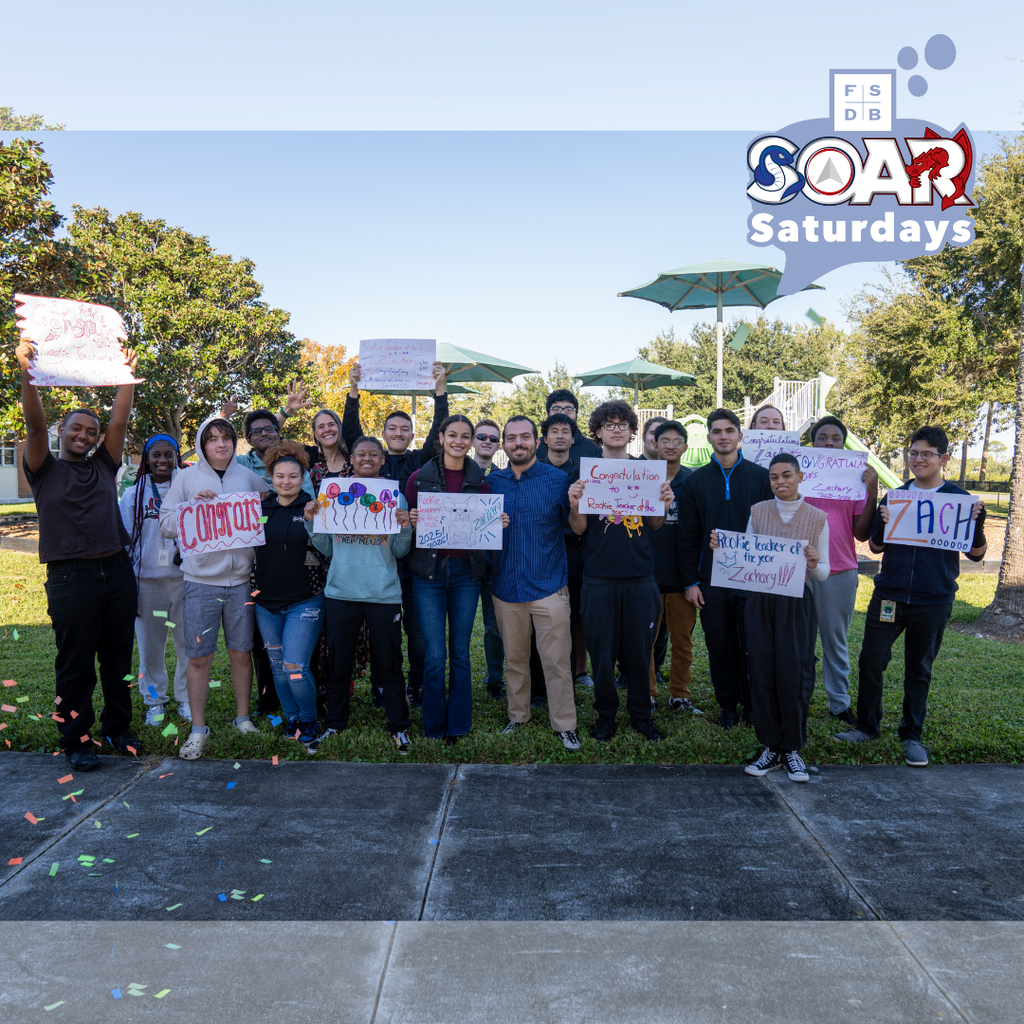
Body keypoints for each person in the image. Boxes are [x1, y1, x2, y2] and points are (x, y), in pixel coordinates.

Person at [17, 337, 141, 771]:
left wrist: (127, 374)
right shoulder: (43, 468)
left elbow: (119, 422)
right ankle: (77, 739)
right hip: (71, 579)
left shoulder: (104, 464)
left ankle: (117, 727)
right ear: (61, 432)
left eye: (91, 430)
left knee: (118, 659)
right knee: (75, 665)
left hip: (117, 571)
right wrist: (26, 371)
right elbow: (33, 427)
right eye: (76, 428)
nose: (84, 435)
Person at [836, 426, 987, 766]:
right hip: (888, 596)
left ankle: (911, 735)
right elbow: (875, 546)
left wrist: (976, 523)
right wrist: (885, 523)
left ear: (942, 459)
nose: (919, 460)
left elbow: (977, 554)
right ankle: (867, 727)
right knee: (871, 661)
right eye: (914, 453)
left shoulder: (960, 502)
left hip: (934, 600)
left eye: (927, 454)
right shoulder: (896, 497)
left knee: (919, 668)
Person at [710, 453, 829, 783]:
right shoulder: (758, 512)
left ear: (800, 476)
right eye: (775, 476)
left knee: (793, 672)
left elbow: (823, 574)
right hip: (761, 601)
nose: (781, 481)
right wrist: (722, 547)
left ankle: (792, 748)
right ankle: (770, 746)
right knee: (761, 671)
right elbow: (745, 557)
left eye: (787, 475)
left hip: (796, 604)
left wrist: (815, 561)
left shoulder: (818, 518)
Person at [159, 416, 268, 760]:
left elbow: (270, 509)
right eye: (213, 439)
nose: (221, 444)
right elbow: (165, 523)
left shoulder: (248, 477)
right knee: (199, 657)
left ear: (236, 443)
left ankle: (243, 718)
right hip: (200, 583)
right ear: (201, 444)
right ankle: (198, 728)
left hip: (240, 583)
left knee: (241, 652)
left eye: (227, 438)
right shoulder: (187, 478)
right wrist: (192, 511)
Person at [567, 400, 674, 743]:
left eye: (622, 424)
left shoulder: (647, 470)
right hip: (598, 577)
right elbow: (579, 529)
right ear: (597, 432)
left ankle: (642, 715)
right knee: (601, 655)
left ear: (631, 432)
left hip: (640, 576)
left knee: (640, 654)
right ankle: (606, 716)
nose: (616, 429)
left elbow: (655, 523)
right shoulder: (585, 472)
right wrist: (574, 504)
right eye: (609, 424)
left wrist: (665, 503)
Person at [343, 361, 449, 705]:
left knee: (417, 632)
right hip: (379, 558)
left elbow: (438, 432)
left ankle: (417, 687)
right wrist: (354, 392)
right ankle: (383, 686)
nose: (399, 433)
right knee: (382, 631)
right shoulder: (374, 461)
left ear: (412, 435)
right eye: (392, 428)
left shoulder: (422, 460)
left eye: (405, 428)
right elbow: (351, 434)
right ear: (384, 433)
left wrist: (440, 391)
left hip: (417, 559)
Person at [307, 436, 415, 750]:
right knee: (338, 662)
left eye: (374, 454)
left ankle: (399, 726)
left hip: (383, 594)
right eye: (360, 454)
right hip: (342, 591)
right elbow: (325, 547)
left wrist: (405, 527)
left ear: (383, 460)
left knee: (390, 663)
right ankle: (334, 724)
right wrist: (312, 523)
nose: (367, 458)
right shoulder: (332, 493)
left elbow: (399, 550)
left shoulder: (394, 496)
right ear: (351, 460)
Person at [489, 416, 581, 750]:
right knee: (514, 660)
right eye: (511, 438)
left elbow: (578, 528)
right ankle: (518, 716)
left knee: (557, 660)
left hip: (548, 585)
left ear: (536, 442)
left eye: (524, 437)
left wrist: (575, 506)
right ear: (503, 445)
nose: (518, 443)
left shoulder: (558, 480)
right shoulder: (491, 483)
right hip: (506, 587)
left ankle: (565, 724)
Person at [678, 409, 773, 729]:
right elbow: (688, 536)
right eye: (716, 431)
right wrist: (691, 582)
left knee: (752, 646)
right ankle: (728, 707)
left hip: (753, 577)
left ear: (739, 436)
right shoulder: (696, 482)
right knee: (719, 645)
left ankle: (752, 706)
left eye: (729, 430)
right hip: (711, 581)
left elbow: (772, 530)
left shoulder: (762, 478)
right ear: (708, 438)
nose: (723, 436)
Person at [406, 415, 495, 742]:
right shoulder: (418, 478)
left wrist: (495, 523)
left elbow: (483, 525)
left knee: (459, 651)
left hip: (464, 575)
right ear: (441, 437)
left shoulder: (480, 479)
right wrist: (411, 520)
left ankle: (458, 723)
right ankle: (433, 725)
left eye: (465, 436)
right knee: (435, 655)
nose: (459, 441)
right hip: (428, 574)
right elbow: (408, 528)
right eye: (452, 434)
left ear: (471, 441)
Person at [251, 442, 326, 753]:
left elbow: (327, 548)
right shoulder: (259, 510)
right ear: (271, 477)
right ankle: (292, 718)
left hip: (305, 600)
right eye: (279, 476)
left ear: (303, 477)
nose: (286, 481)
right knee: (279, 666)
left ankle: (309, 721)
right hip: (265, 602)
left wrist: (313, 520)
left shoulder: (314, 507)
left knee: (295, 666)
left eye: (293, 476)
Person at [805, 415, 878, 727]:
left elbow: (861, 534)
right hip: (799, 570)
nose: (830, 443)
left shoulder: (854, 479)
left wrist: (872, 491)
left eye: (836, 438)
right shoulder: (799, 473)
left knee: (835, 640)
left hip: (840, 569)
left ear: (844, 443)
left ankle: (839, 703)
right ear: (813, 442)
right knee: (799, 639)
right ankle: (799, 697)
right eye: (823, 437)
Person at [119, 434, 189, 726]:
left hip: (185, 580)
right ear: (146, 459)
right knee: (150, 646)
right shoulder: (133, 494)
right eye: (156, 455)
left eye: (169, 454)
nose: (163, 460)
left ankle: (186, 698)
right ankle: (154, 702)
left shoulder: (188, 488)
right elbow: (124, 542)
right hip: (146, 582)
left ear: (176, 457)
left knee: (188, 644)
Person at [649, 421, 701, 715]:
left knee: (683, 641)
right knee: (646, 642)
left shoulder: (693, 482)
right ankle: (649, 695)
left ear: (685, 447)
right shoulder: (642, 479)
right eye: (664, 440)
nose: (670, 445)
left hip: (683, 578)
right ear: (654, 445)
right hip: (648, 575)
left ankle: (680, 695)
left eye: (677, 441)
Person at [539, 413, 590, 688]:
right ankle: (539, 683)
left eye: (565, 431)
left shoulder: (587, 474)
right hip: (542, 554)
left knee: (572, 618)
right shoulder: (534, 470)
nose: (560, 435)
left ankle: (572, 676)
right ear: (544, 439)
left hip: (576, 553)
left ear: (572, 438)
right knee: (542, 618)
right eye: (554, 431)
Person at [473, 418, 506, 699]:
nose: (487, 441)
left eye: (493, 438)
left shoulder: (502, 478)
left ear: (500, 445)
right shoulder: (457, 472)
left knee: (495, 627)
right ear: (473, 439)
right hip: (461, 565)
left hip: (494, 564)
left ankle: (495, 678)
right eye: (482, 436)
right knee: (457, 628)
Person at [536, 389, 601, 461]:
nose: (563, 413)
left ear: (576, 414)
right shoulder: (535, 448)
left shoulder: (594, 449)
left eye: (569, 409)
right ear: (548, 413)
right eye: (556, 409)